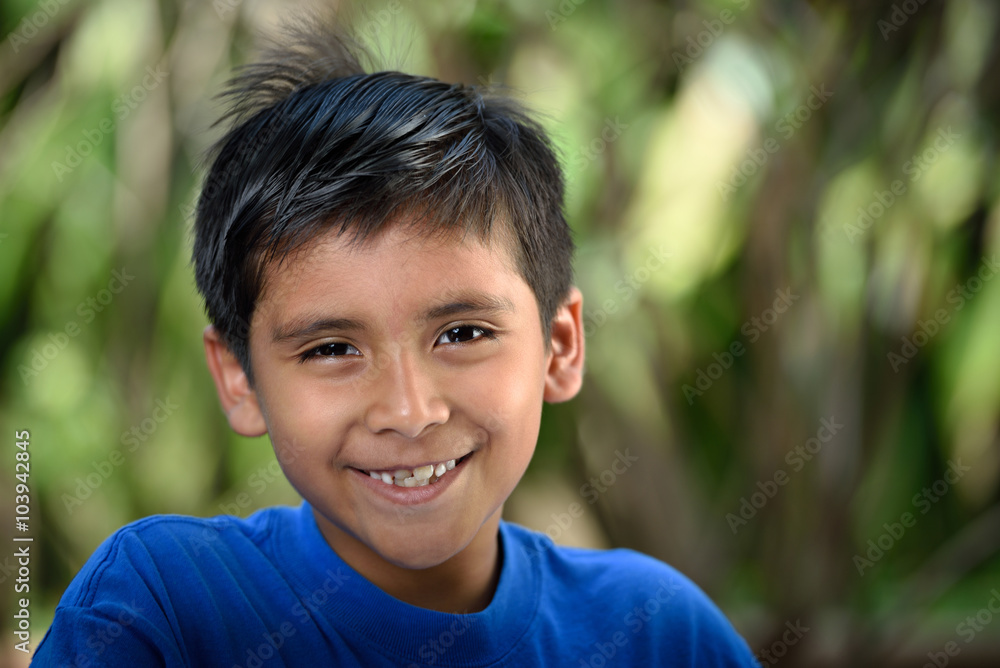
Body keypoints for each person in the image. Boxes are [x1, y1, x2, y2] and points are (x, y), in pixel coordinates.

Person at [33, 19, 759, 667]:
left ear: (560, 346)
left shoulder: (657, 633)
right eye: (330, 350)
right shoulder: (166, 608)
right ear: (240, 379)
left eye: (463, 333)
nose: (409, 412)